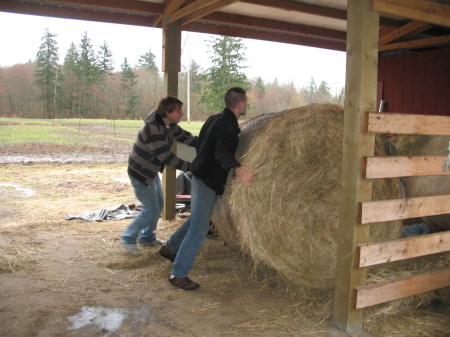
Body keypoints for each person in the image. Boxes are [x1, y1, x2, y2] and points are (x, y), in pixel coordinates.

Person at [159, 87, 254, 290]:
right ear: (240, 103)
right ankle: (178, 274)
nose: (246, 105)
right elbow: (222, 154)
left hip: (200, 175)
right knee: (199, 231)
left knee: (198, 220)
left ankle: (170, 248)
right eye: (245, 101)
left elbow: (202, 143)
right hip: (207, 181)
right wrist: (237, 169)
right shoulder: (228, 126)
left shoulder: (214, 119)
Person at [121, 96, 197, 254]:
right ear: (167, 112)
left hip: (150, 170)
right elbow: (167, 158)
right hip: (140, 172)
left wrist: (206, 142)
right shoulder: (153, 130)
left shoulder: (169, 125)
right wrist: (192, 167)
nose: (181, 114)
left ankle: (146, 238)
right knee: (151, 209)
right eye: (178, 110)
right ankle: (128, 238)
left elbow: (185, 138)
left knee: (159, 204)